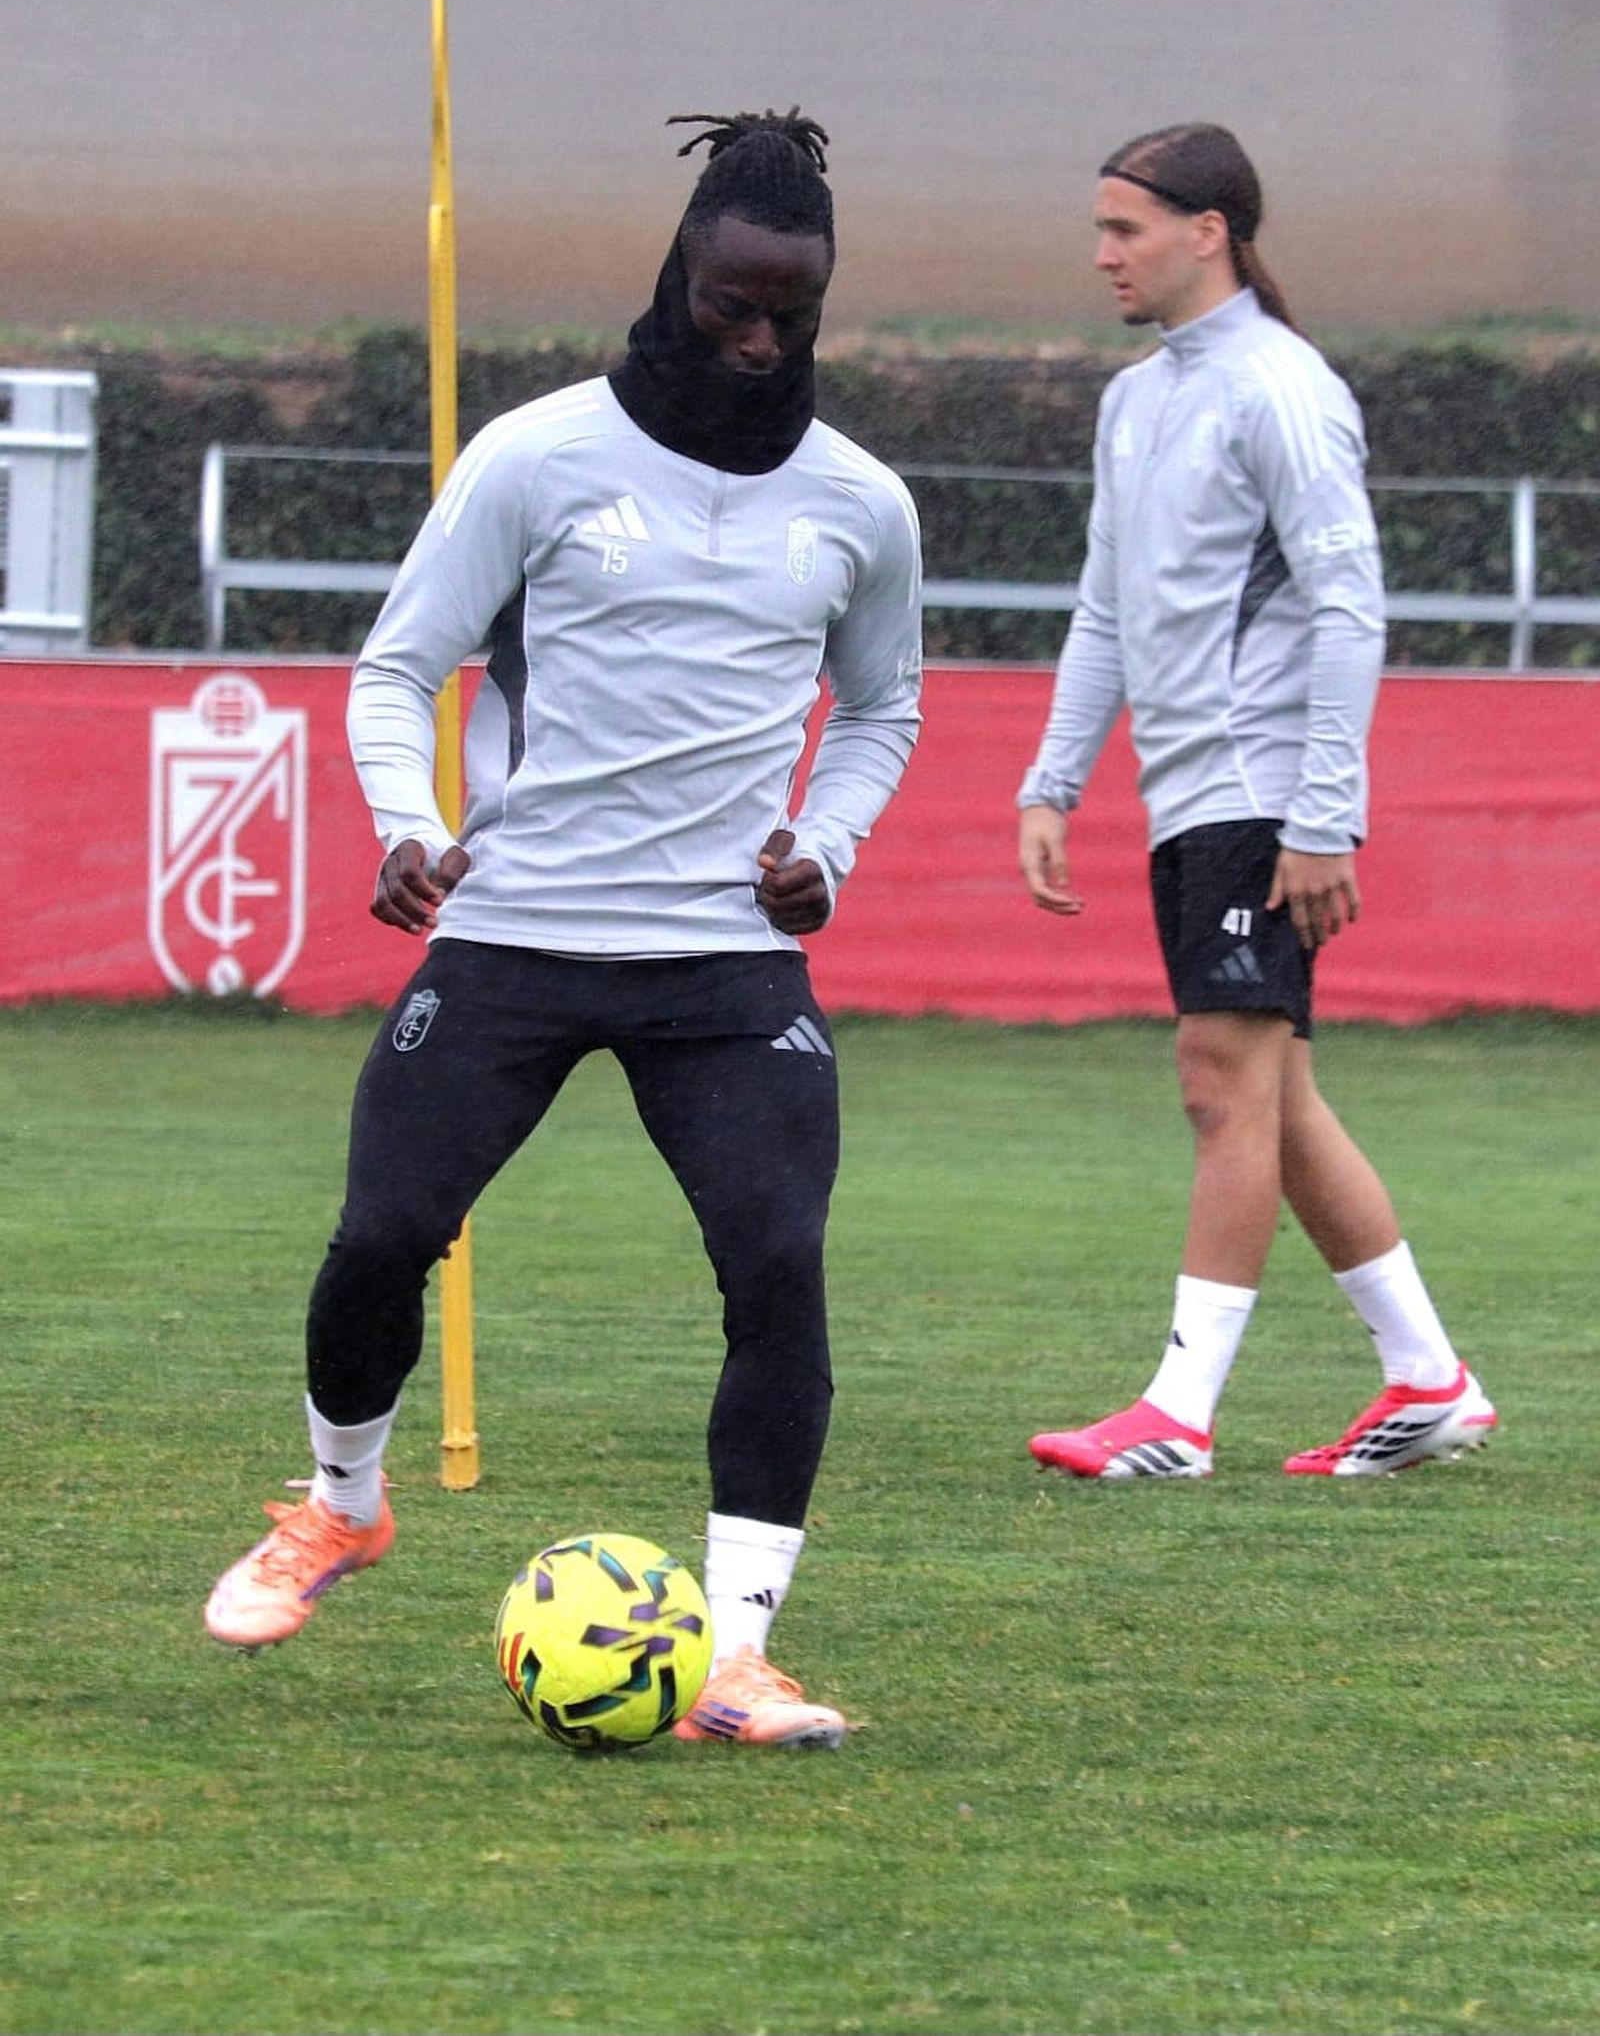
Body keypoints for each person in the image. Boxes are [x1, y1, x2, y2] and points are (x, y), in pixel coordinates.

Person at [205, 109, 924, 1745]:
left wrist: (826, 847)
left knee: (778, 1268)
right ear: (679, 275)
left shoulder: (861, 501)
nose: (759, 343)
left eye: (793, 315)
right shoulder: (537, 457)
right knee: (382, 1237)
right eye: (733, 305)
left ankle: (737, 1655)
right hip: (516, 931)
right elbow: (399, 667)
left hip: (725, 963)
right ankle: (340, 1508)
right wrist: (410, 826)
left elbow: (884, 708)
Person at [1018, 122, 1495, 1481]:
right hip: (1190, 800)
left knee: (1221, 1081)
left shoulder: (1283, 388)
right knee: (1271, 1094)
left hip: (1263, 792)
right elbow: (1104, 610)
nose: (1103, 254)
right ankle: (1429, 1379)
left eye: (1125, 229)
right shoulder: (1135, 402)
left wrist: (1323, 815)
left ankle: (1178, 1414)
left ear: (1209, 231)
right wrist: (1053, 783)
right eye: (1101, 228)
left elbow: (1350, 605)